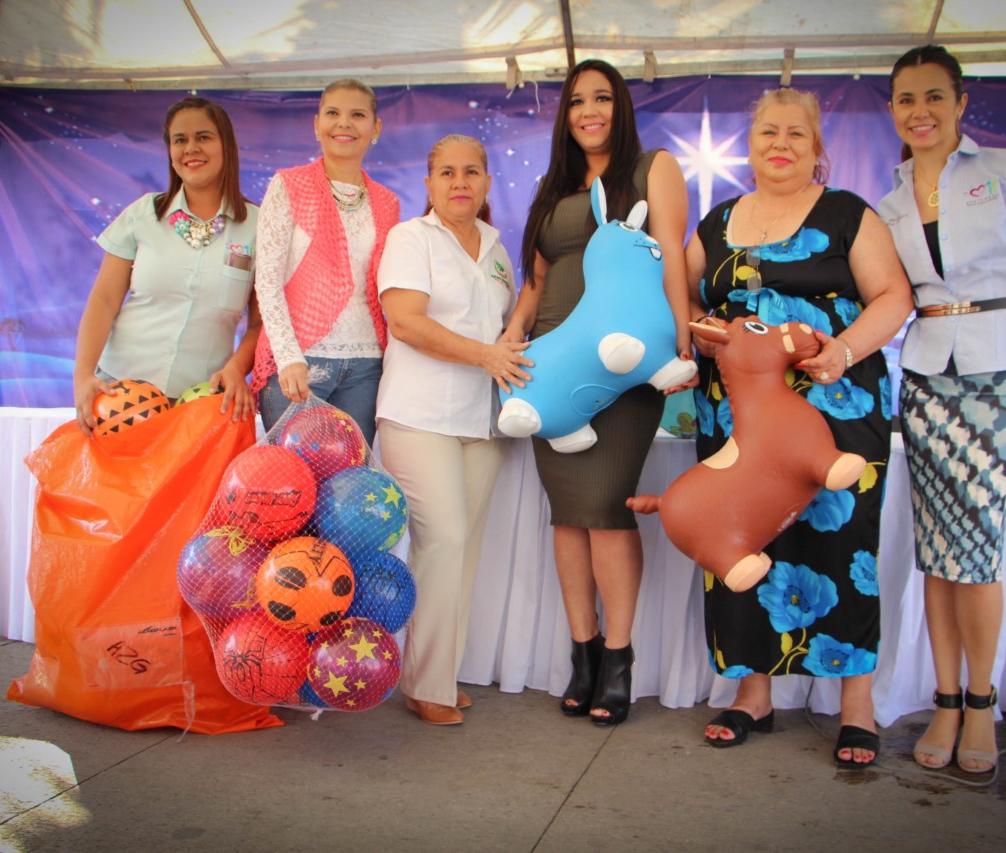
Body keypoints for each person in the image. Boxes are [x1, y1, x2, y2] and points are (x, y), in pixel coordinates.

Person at [686, 88, 913, 764]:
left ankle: (857, 705)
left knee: (844, 542)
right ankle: (753, 692)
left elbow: (894, 296)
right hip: (737, 414)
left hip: (834, 405)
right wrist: (703, 337)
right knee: (741, 538)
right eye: (766, 133)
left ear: (818, 150)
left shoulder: (848, 214)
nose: (780, 144)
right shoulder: (717, 223)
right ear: (748, 144)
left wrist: (843, 349)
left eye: (796, 134)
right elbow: (689, 310)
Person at [878, 45, 1006, 774]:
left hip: (1004, 371)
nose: (921, 111)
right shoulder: (891, 198)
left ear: (961, 103)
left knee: (976, 549)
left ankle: (982, 702)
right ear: (894, 110)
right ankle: (943, 699)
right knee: (937, 549)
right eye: (906, 99)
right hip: (928, 376)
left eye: (935, 96)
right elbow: (885, 296)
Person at [501, 58, 692, 726]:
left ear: (622, 105)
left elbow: (671, 252)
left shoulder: (652, 168)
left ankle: (618, 656)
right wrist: (511, 341)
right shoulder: (554, 187)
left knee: (606, 505)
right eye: (578, 100)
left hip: (625, 362)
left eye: (603, 98)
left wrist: (683, 347)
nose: (590, 111)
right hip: (549, 362)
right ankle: (581, 653)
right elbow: (533, 282)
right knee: (568, 512)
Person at [375, 135, 531, 726]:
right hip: (419, 415)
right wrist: (487, 357)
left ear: (488, 182)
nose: (459, 181)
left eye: (471, 171)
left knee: (463, 550)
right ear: (429, 183)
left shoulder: (495, 247)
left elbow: (505, 330)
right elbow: (407, 323)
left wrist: (510, 352)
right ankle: (426, 683)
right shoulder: (410, 239)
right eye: (446, 171)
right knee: (443, 540)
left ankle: (436, 673)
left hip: (482, 420)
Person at [74, 96, 261, 433]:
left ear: (226, 146)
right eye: (180, 140)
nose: (191, 148)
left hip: (201, 401)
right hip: (120, 395)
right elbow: (103, 301)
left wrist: (236, 368)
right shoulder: (143, 214)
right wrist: (83, 376)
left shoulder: (258, 225)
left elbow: (260, 325)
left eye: (203, 137)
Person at [252, 78, 400, 444]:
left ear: (375, 128)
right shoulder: (288, 184)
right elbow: (267, 281)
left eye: (358, 115)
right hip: (300, 362)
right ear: (317, 124)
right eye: (333, 113)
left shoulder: (387, 202)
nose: (344, 124)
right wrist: (287, 358)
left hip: (367, 365)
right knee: (295, 485)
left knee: (351, 485)